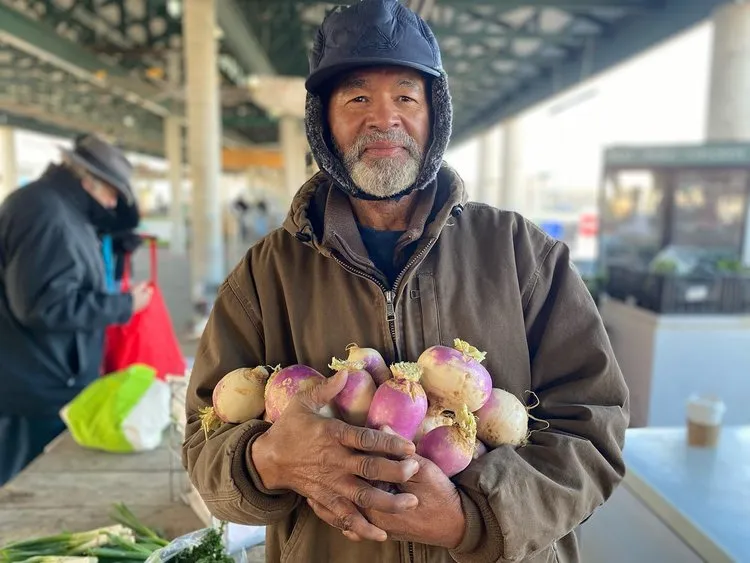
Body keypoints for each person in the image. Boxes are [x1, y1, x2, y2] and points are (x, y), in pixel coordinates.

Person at [182, 1, 629, 562]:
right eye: (358, 97)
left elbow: (595, 429)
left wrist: (476, 518)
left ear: (433, 114)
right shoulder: (265, 275)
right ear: (324, 122)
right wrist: (267, 459)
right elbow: (203, 450)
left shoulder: (520, 253)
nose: (384, 118)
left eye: (406, 96)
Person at [0, 134, 153, 485]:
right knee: (21, 492)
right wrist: (124, 305)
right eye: (112, 194)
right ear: (88, 181)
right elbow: (44, 305)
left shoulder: (56, 209)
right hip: (34, 387)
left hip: (41, 379)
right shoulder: (48, 216)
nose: (113, 205)